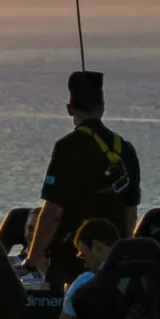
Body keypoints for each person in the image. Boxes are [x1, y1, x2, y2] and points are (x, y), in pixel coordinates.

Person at [25, 71, 141, 289]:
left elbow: (53, 212)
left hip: (73, 260)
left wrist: (32, 261)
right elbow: (130, 211)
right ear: (102, 107)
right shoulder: (125, 149)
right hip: (113, 263)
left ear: (69, 109)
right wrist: (123, 253)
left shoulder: (67, 147)